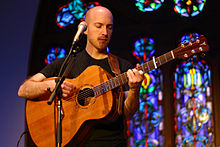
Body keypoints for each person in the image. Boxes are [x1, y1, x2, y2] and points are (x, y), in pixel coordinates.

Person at [18, 6, 144, 147]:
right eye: (99, 26)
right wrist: (51, 86)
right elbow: (23, 89)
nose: (105, 32)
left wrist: (134, 89)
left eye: (109, 27)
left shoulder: (122, 67)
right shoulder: (67, 63)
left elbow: (127, 114)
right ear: (85, 29)